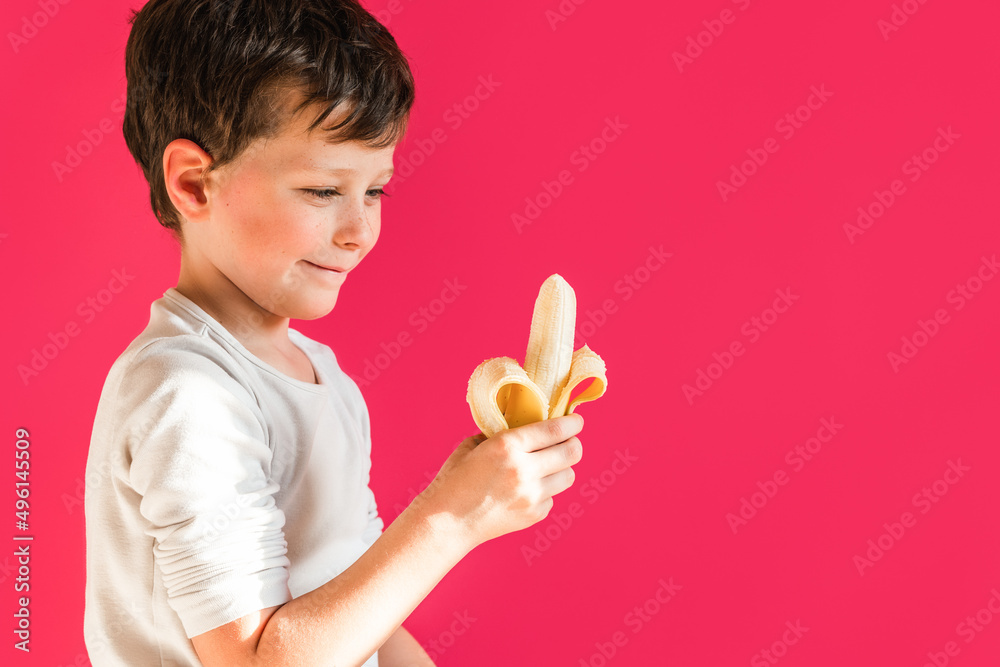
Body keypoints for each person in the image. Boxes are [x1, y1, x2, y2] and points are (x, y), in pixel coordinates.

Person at [82, 1, 586, 665]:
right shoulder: (188, 393)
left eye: (375, 191)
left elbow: (364, 615)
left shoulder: (325, 378)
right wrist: (455, 516)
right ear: (195, 184)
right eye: (323, 191)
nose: (359, 231)